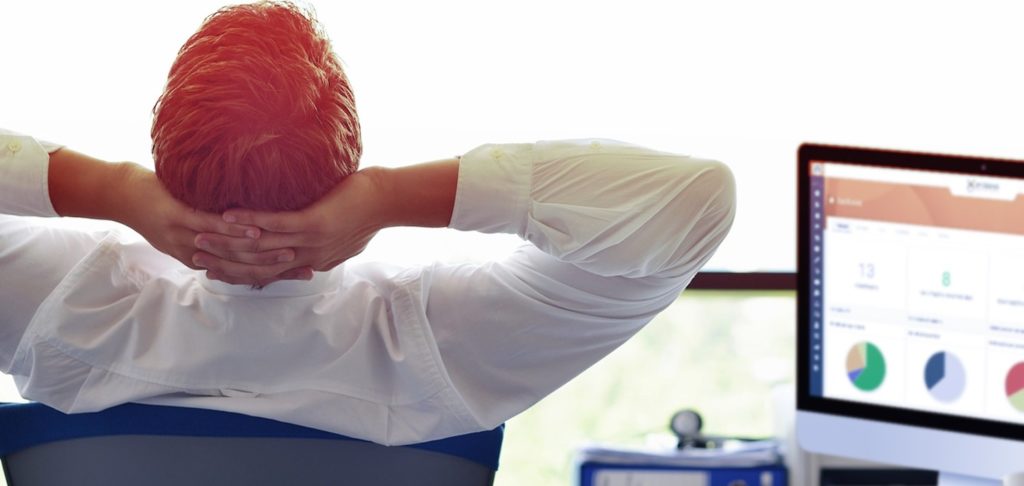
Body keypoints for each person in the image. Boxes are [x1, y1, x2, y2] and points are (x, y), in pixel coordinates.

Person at [0, 2, 735, 445]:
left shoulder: (58, 314)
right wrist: (390, 198)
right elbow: (698, 201)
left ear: (164, 162)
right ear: (346, 165)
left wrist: (112, 188)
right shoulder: (444, 347)